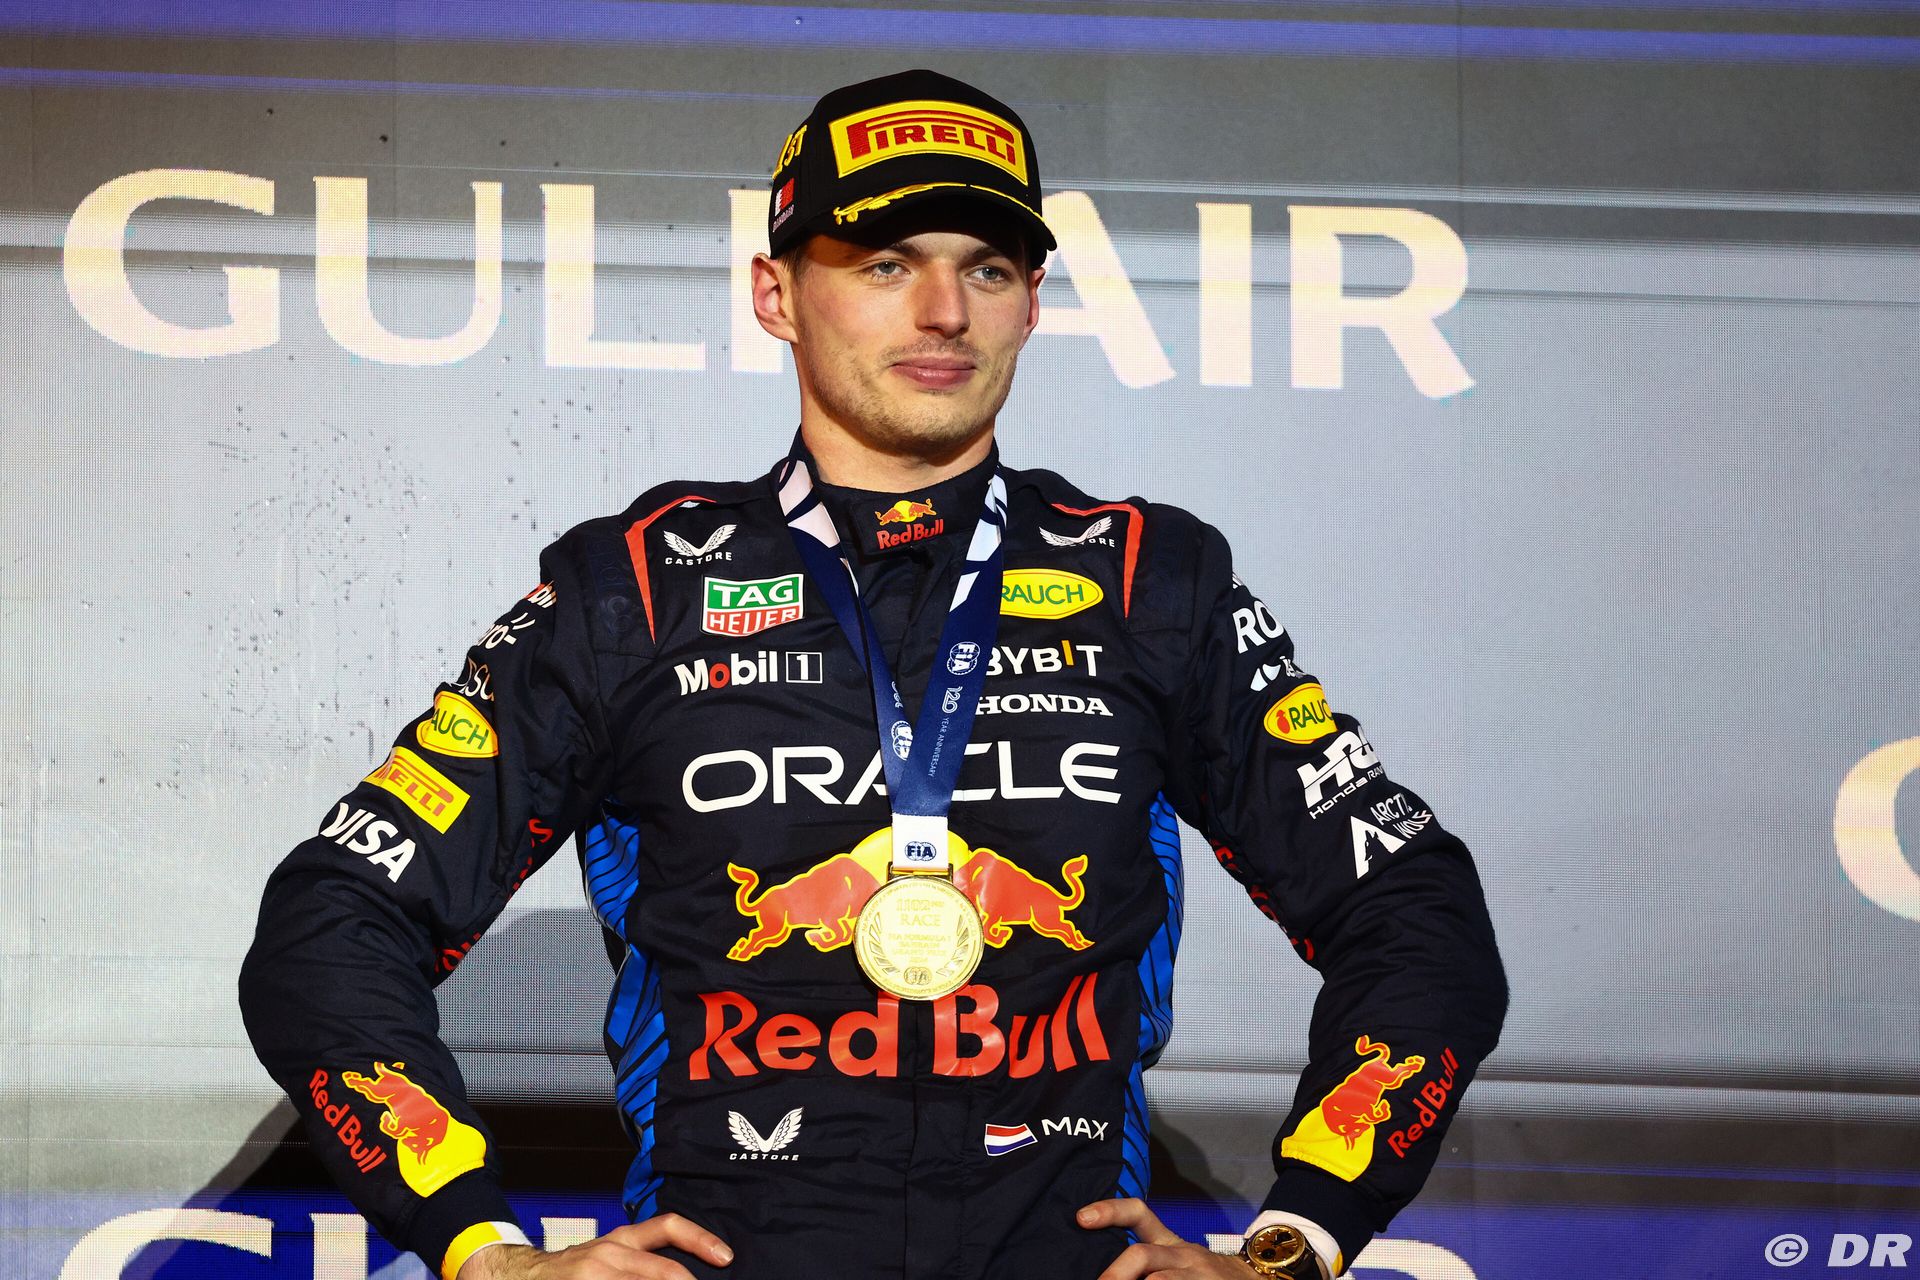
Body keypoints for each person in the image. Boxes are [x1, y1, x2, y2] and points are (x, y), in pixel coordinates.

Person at [239, 68, 1507, 1280]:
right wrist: (478, 1241)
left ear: (1032, 302)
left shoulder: (1147, 580)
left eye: (986, 267)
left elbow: (1414, 909)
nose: (944, 310)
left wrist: (1300, 1236)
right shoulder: (634, 587)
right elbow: (333, 920)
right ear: (777, 293)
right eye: (886, 263)